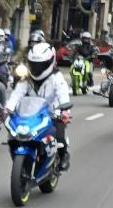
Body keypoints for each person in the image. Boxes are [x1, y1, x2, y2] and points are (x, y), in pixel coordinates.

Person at [7, 37, 75, 168]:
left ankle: (63, 154)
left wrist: (64, 111)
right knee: (14, 134)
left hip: (52, 112)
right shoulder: (27, 78)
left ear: (50, 63)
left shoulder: (56, 77)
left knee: (59, 134)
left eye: (41, 65)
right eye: (34, 64)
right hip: (31, 113)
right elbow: (17, 94)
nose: (37, 68)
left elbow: (63, 93)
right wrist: (7, 109)